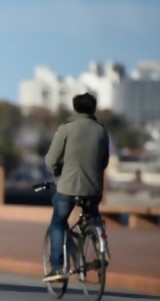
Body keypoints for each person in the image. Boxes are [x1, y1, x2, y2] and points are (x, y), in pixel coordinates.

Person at [43, 92, 110, 282]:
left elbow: (50, 160)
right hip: (94, 189)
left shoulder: (66, 129)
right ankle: (100, 247)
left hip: (68, 187)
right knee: (93, 217)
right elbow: (104, 161)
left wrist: (57, 172)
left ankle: (58, 268)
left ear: (75, 108)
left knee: (58, 222)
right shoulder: (101, 131)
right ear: (93, 109)